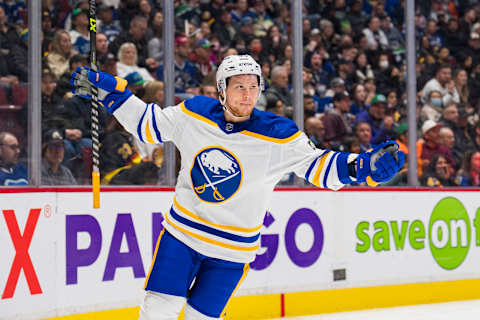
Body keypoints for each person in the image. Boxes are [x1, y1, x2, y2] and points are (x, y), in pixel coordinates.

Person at [71, 54, 404, 320]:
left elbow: (318, 167)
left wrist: (361, 168)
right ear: (221, 89)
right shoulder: (195, 113)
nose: (247, 93)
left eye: (253, 86)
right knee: (158, 309)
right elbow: (149, 125)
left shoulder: (279, 134)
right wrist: (114, 93)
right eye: (238, 86)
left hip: (232, 251)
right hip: (182, 235)